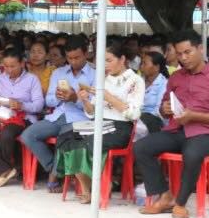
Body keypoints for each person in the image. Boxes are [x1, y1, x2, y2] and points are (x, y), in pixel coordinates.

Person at [135, 30, 209, 218]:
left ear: (200, 49)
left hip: (204, 133)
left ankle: (180, 204)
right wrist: (164, 109)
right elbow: (164, 106)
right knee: (141, 147)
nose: (183, 58)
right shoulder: (176, 77)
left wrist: (194, 116)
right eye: (179, 54)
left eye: (188, 52)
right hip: (175, 130)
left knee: (192, 154)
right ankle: (165, 196)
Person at [52, 43, 144, 203]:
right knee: (66, 138)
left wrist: (108, 97)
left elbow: (133, 113)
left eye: (109, 60)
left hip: (120, 127)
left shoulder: (135, 81)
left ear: (122, 59)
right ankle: (87, 186)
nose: (105, 65)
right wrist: (85, 100)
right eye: (102, 61)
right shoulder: (104, 80)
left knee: (88, 141)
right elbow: (92, 112)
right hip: (98, 124)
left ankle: (100, 183)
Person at [19, 37, 96, 191]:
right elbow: (49, 101)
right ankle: (55, 169)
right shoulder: (59, 73)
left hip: (80, 120)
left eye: (77, 57)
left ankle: (54, 176)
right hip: (58, 116)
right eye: (69, 58)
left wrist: (75, 99)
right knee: (27, 135)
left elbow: (94, 109)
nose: (73, 61)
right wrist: (58, 97)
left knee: (64, 137)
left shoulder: (95, 75)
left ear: (86, 54)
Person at [0, 48, 46, 187]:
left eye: (12, 66)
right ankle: (4, 169)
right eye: (6, 66)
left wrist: (21, 105)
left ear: (22, 63)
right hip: (2, 115)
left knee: (7, 133)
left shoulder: (32, 79)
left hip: (23, 117)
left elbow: (39, 106)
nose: (9, 70)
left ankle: (3, 170)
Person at [140, 51, 169, 131]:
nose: (141, 66)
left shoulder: (164, 84)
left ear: (156, 67)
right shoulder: (139, 81)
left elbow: (158, 110)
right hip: (137, 117)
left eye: (145, 64)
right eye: (141, 63)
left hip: (154, 121)